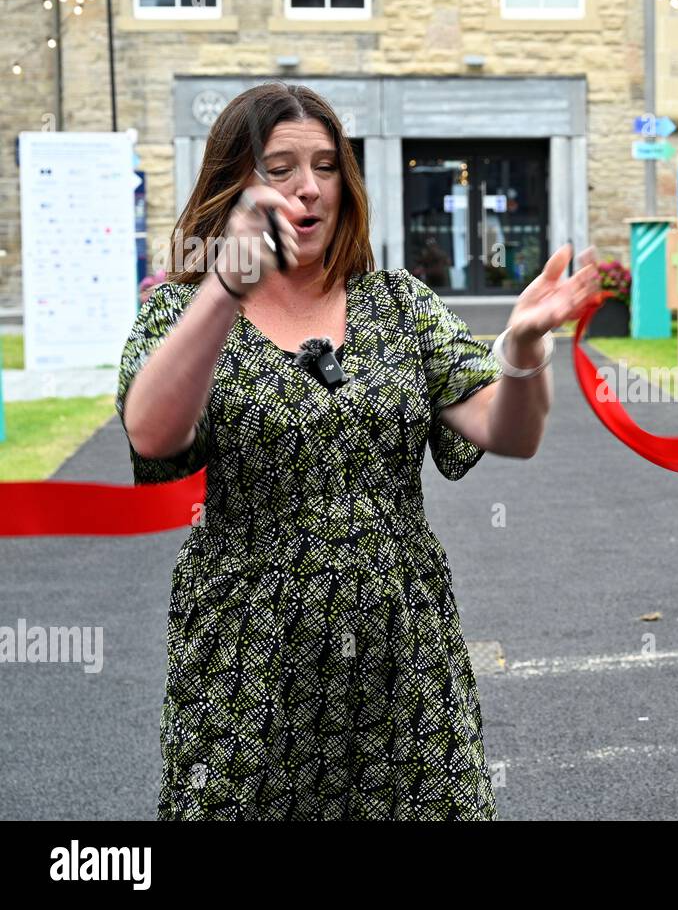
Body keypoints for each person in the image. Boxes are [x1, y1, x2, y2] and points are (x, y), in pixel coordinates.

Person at [116, 81, 601, 820]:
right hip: (248, 658)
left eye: (325, 164)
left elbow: (512, 432)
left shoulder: (396, 304)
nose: (309, 188)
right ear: (233, 184)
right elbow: (153, 434)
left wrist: (526, 345)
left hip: (402, 649)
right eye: (279, 168)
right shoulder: (181, 312)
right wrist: (226, 288)